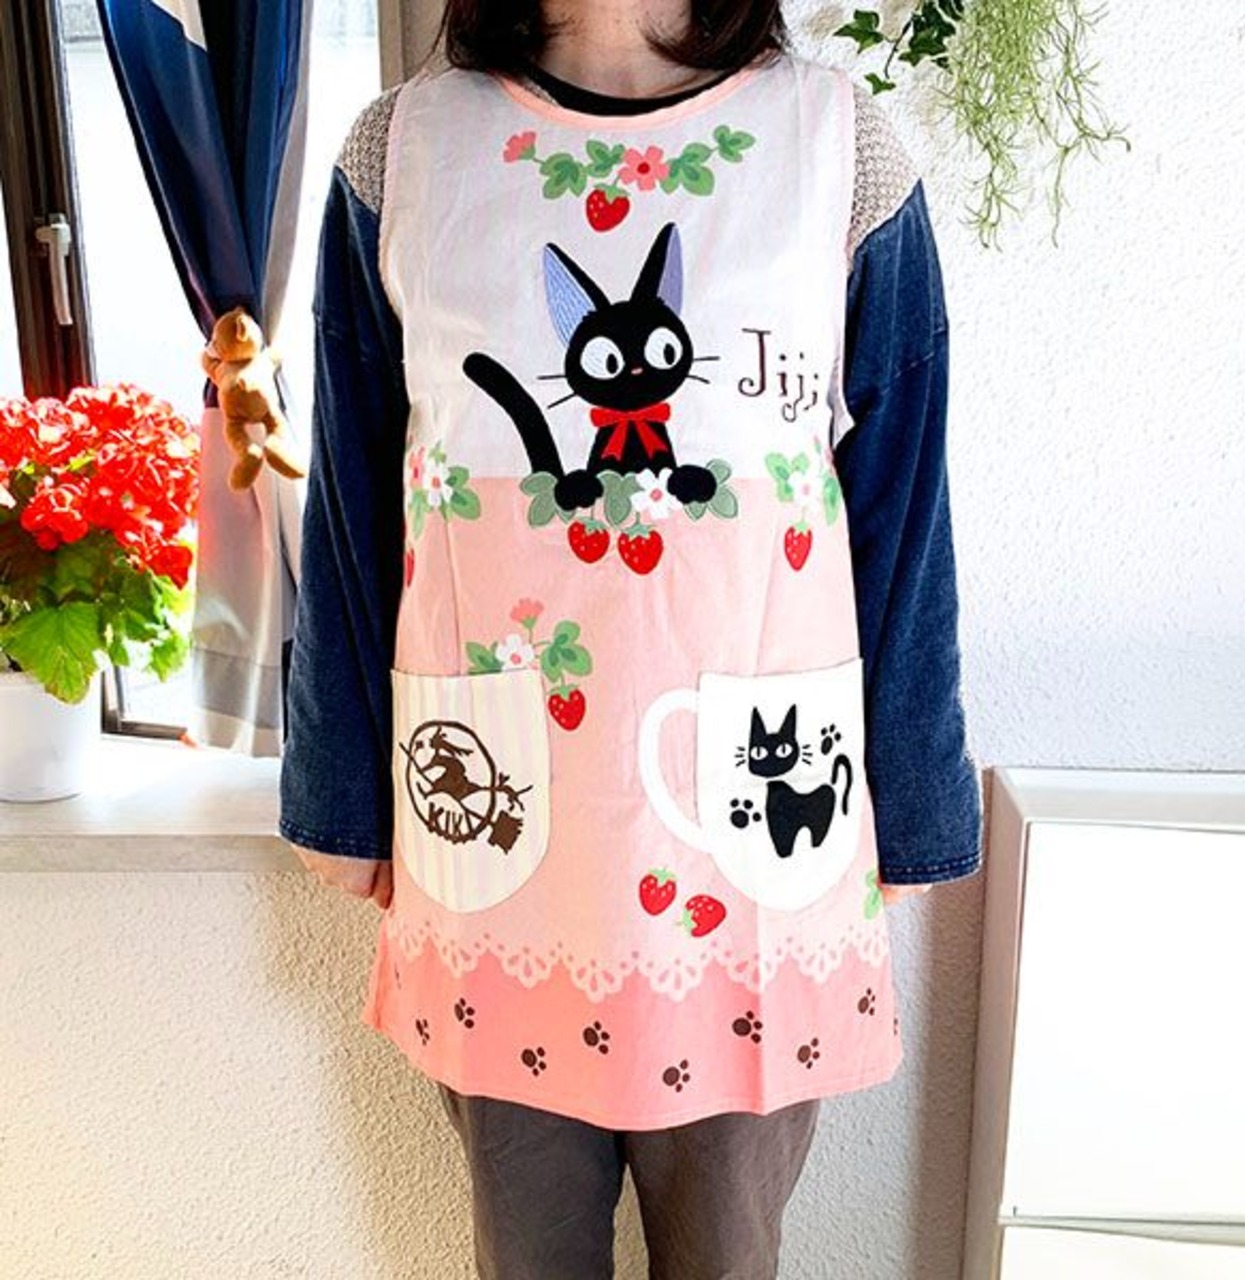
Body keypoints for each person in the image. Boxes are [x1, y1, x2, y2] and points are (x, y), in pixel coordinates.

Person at [278, 1, 982, 1275]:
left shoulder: (838, 148)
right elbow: (351, 503)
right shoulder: (402, 154)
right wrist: (339, 792)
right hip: (499, 828)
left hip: (750, 837)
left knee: (727, 1250)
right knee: (526, 1252)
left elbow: (900, 504)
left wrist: (918, 799)